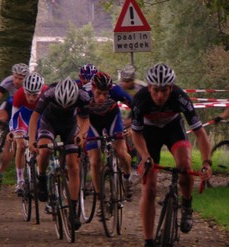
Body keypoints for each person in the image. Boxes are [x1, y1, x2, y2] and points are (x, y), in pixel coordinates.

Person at [130, 63, 213, 247]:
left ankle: (187, 204)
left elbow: (200, 134)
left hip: (173, 129)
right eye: (156, 90)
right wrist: (145, 156)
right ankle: (148, 245)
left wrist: (206, 163)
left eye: (164, 90)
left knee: (184, 165)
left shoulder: (180, 97)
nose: (160, 95)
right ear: (149, 87)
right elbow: (136, 134)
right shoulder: (140, 99)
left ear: (171, 87)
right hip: (148, 135)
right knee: (149, 188)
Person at [28, 77, 91, 230]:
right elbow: (34, 118)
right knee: (44, 150)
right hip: (49, 123)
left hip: (69, 126)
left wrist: (81, 135)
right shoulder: (49, 94)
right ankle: (42, 178)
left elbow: (87, 119)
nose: (64, 107)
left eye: (68, 105)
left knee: (73, 166)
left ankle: (73, 212)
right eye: (61, 104)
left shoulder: (83, 96)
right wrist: (31, 140)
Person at [83, 71, 134, 200]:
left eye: (105, 94)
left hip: (112, 119)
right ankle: (99, 196)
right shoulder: (84, 93)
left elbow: (136, 106)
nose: (102, 97)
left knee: (122, 153)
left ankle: (127, 177)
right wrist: (80, 132)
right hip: (92, 122)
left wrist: (133, 126)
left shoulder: (116, 91)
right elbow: (75, 113)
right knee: (95, 161)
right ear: (93, 88)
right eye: (98, 93)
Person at [10, 72, 44, 195]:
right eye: (28, 94)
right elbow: (14, 116)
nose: (31, 98)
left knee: (41, 147)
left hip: (40, 117)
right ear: (24, 90)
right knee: (21, 145)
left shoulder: (46, 92)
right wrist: (13, 132)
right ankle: (20, 181)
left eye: (35, 95)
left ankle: (40, 176)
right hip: (23, 118)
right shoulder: (19, 94)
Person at [117, 64, 143, 174]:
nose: (124, 84)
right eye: (123, 81)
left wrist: (132, 123)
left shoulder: (140, 88)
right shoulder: (117, 87)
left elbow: (141, 110)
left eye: (127, 81)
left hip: (137, 114)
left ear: (133, 80)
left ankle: (141, 162)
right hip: (122, 114)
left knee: (138, 134)